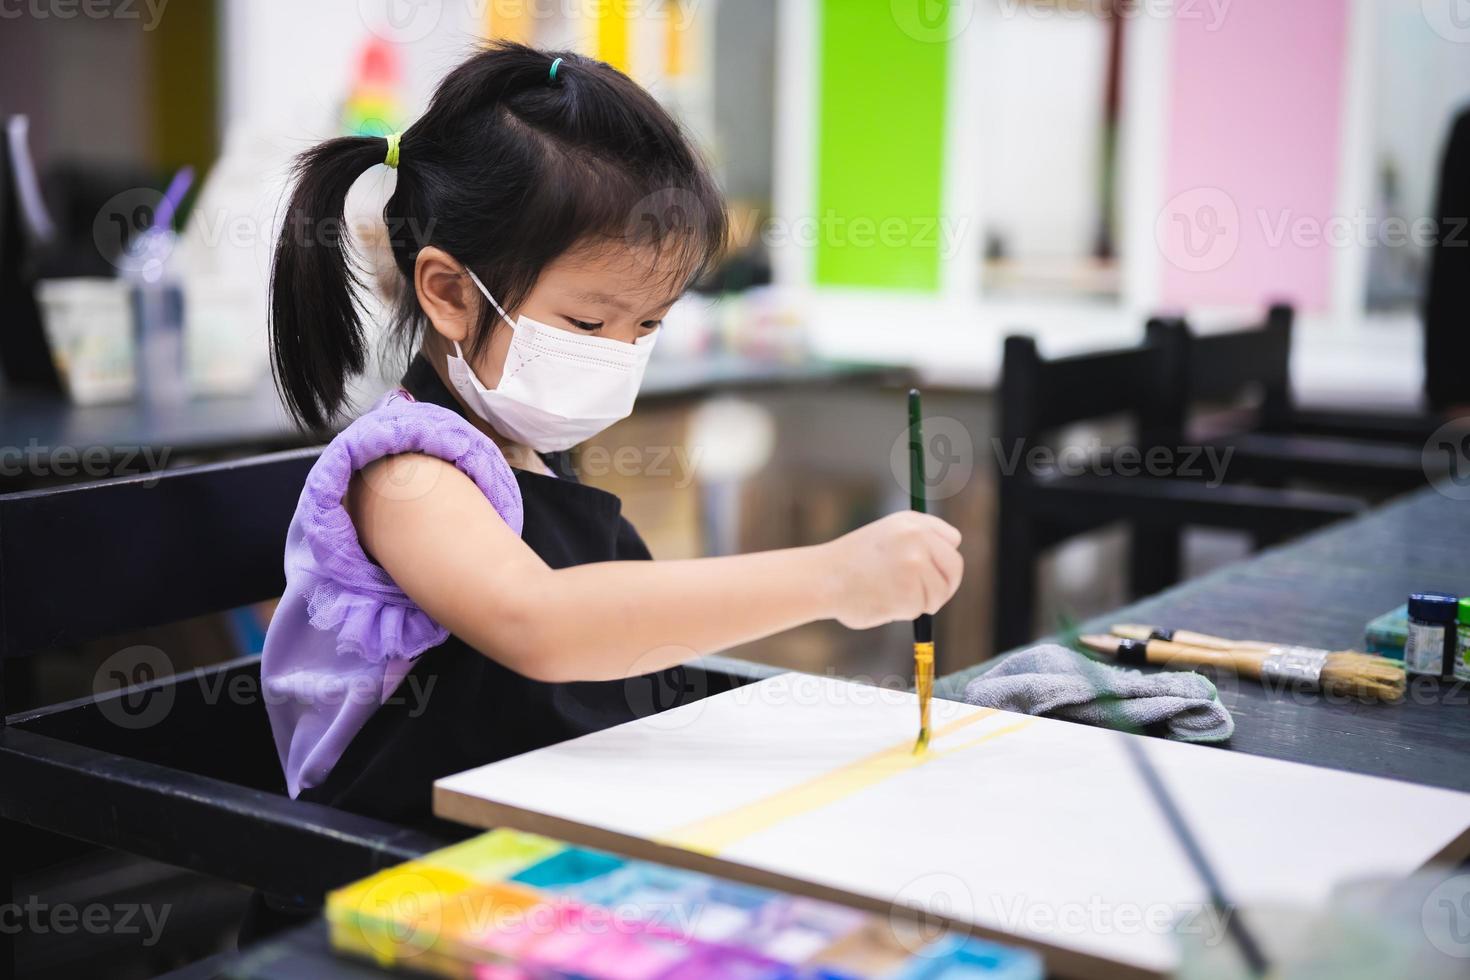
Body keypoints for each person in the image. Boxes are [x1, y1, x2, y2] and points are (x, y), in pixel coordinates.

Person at [260, 42, 963, 830]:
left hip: (538, 821)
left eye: (648, 325)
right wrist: (831, 578)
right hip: (387, 863)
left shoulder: (530, 451)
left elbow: (616, 638)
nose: (618, 350)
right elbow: (542, 624)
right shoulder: (404, 473)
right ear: (451, 293)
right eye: (589, 322)